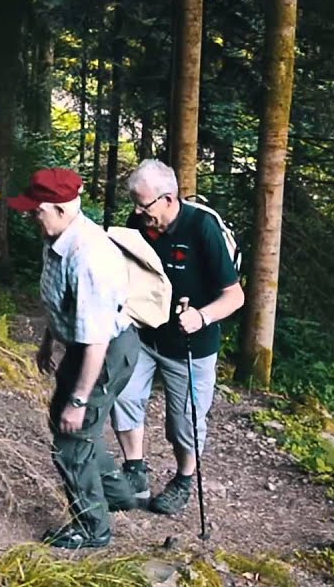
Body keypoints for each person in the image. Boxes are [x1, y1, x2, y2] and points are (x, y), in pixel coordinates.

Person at [8, 167, 144, 550]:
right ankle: (116, 494)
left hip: (105, 351)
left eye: (37, 211)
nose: (31, 216)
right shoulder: (57, 238)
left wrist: (80, 399)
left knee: (72, 436)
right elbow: (61, 302)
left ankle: (92, 530)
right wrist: (49, 342)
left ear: (62, 208)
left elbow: (97, 338)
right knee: (65, 422)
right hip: (83, 345)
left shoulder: (89, 258)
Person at [110, 159, 245, 514]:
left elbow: (235, 295)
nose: (138, 212)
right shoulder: (139, 224)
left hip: (192, 345)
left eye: (144, 204)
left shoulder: (202, 229)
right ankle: (135, 470)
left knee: (184, 422)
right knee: (124, 396)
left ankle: (184, 480)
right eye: (135, 204)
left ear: (169, 198)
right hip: (144, 335)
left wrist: (202, 317)